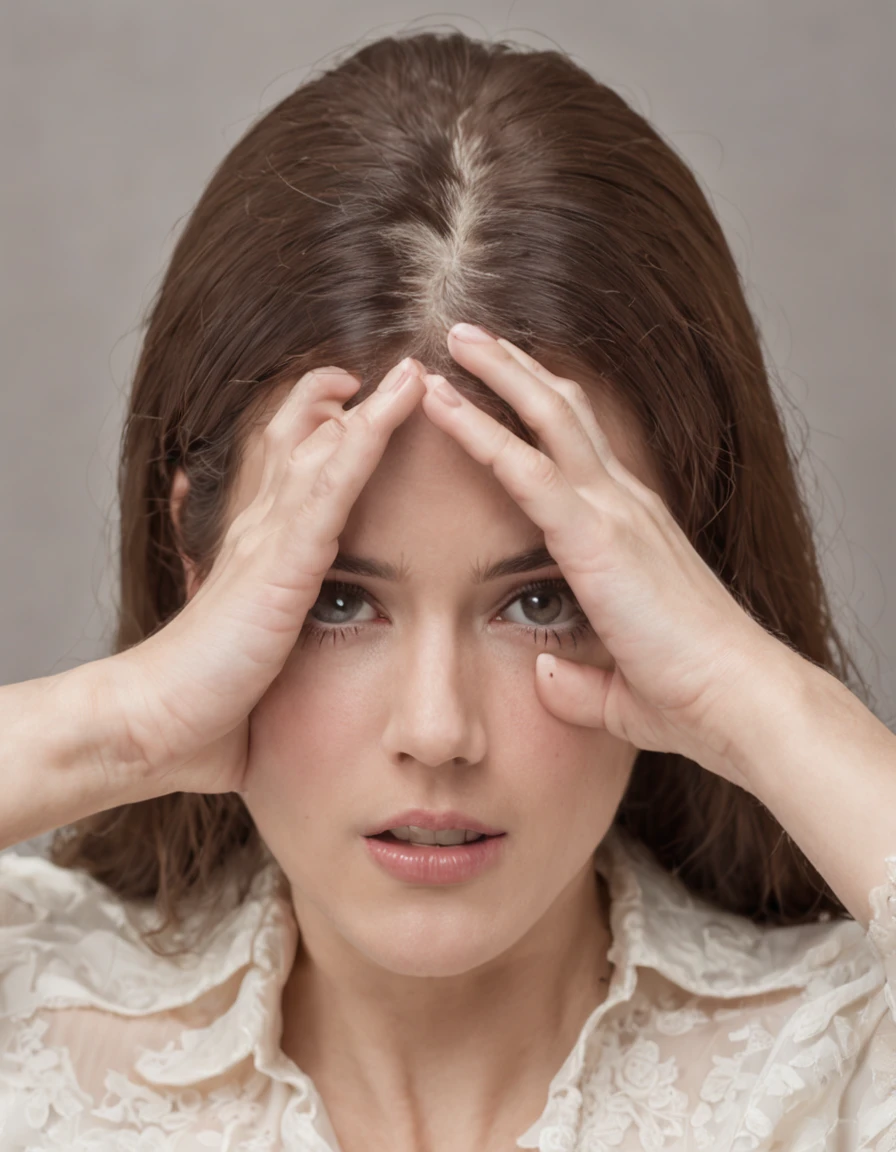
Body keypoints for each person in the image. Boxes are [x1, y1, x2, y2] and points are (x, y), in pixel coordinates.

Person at [0, 27, 893, 1152]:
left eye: (540, 598)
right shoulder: (31, 1026)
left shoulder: (837, 1060)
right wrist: (116, 729)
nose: (436, 731)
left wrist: (761, 701)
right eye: (334, 598)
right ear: (201, 566)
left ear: (677, 587)